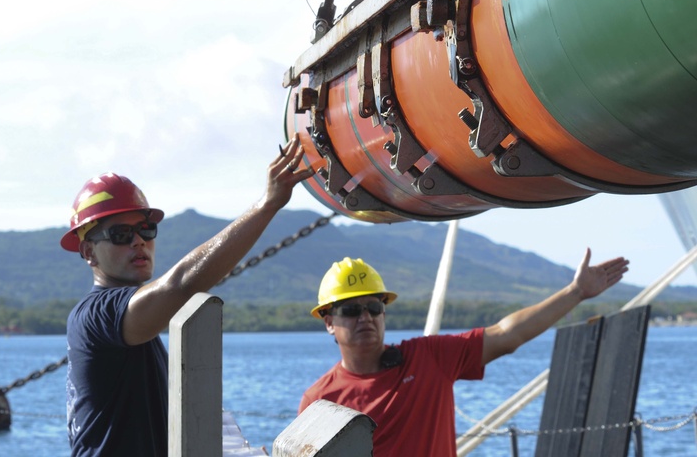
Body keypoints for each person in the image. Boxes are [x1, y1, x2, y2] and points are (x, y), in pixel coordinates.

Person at [63, 137, 314, 457]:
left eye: (146, 230)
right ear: (88, 251)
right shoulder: (96, 314)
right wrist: (268, 203)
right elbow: (180, 285)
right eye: (121, 234)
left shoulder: (133, 323)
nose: (139, 241)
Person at [298, 252, 630, 457]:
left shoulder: (430, 358)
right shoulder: (319, 400)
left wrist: (575, 293)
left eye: (373, 307)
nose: (365, 318)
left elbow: (507, 334)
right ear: (329, 322)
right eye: (351, 310)